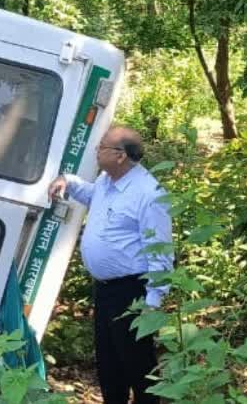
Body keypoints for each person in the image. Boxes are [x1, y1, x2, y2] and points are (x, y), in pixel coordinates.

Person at [49, 126, 173, 404]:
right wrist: (66, 181)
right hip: (105, 290)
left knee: (139, 366)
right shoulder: (108, 182)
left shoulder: (149, 194)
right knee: (109, 363)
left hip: (133, 292)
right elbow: (92, 195)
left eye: (101, 147)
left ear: (119, 155)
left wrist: (152, 305)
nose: (96, 151)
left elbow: (161, 252)